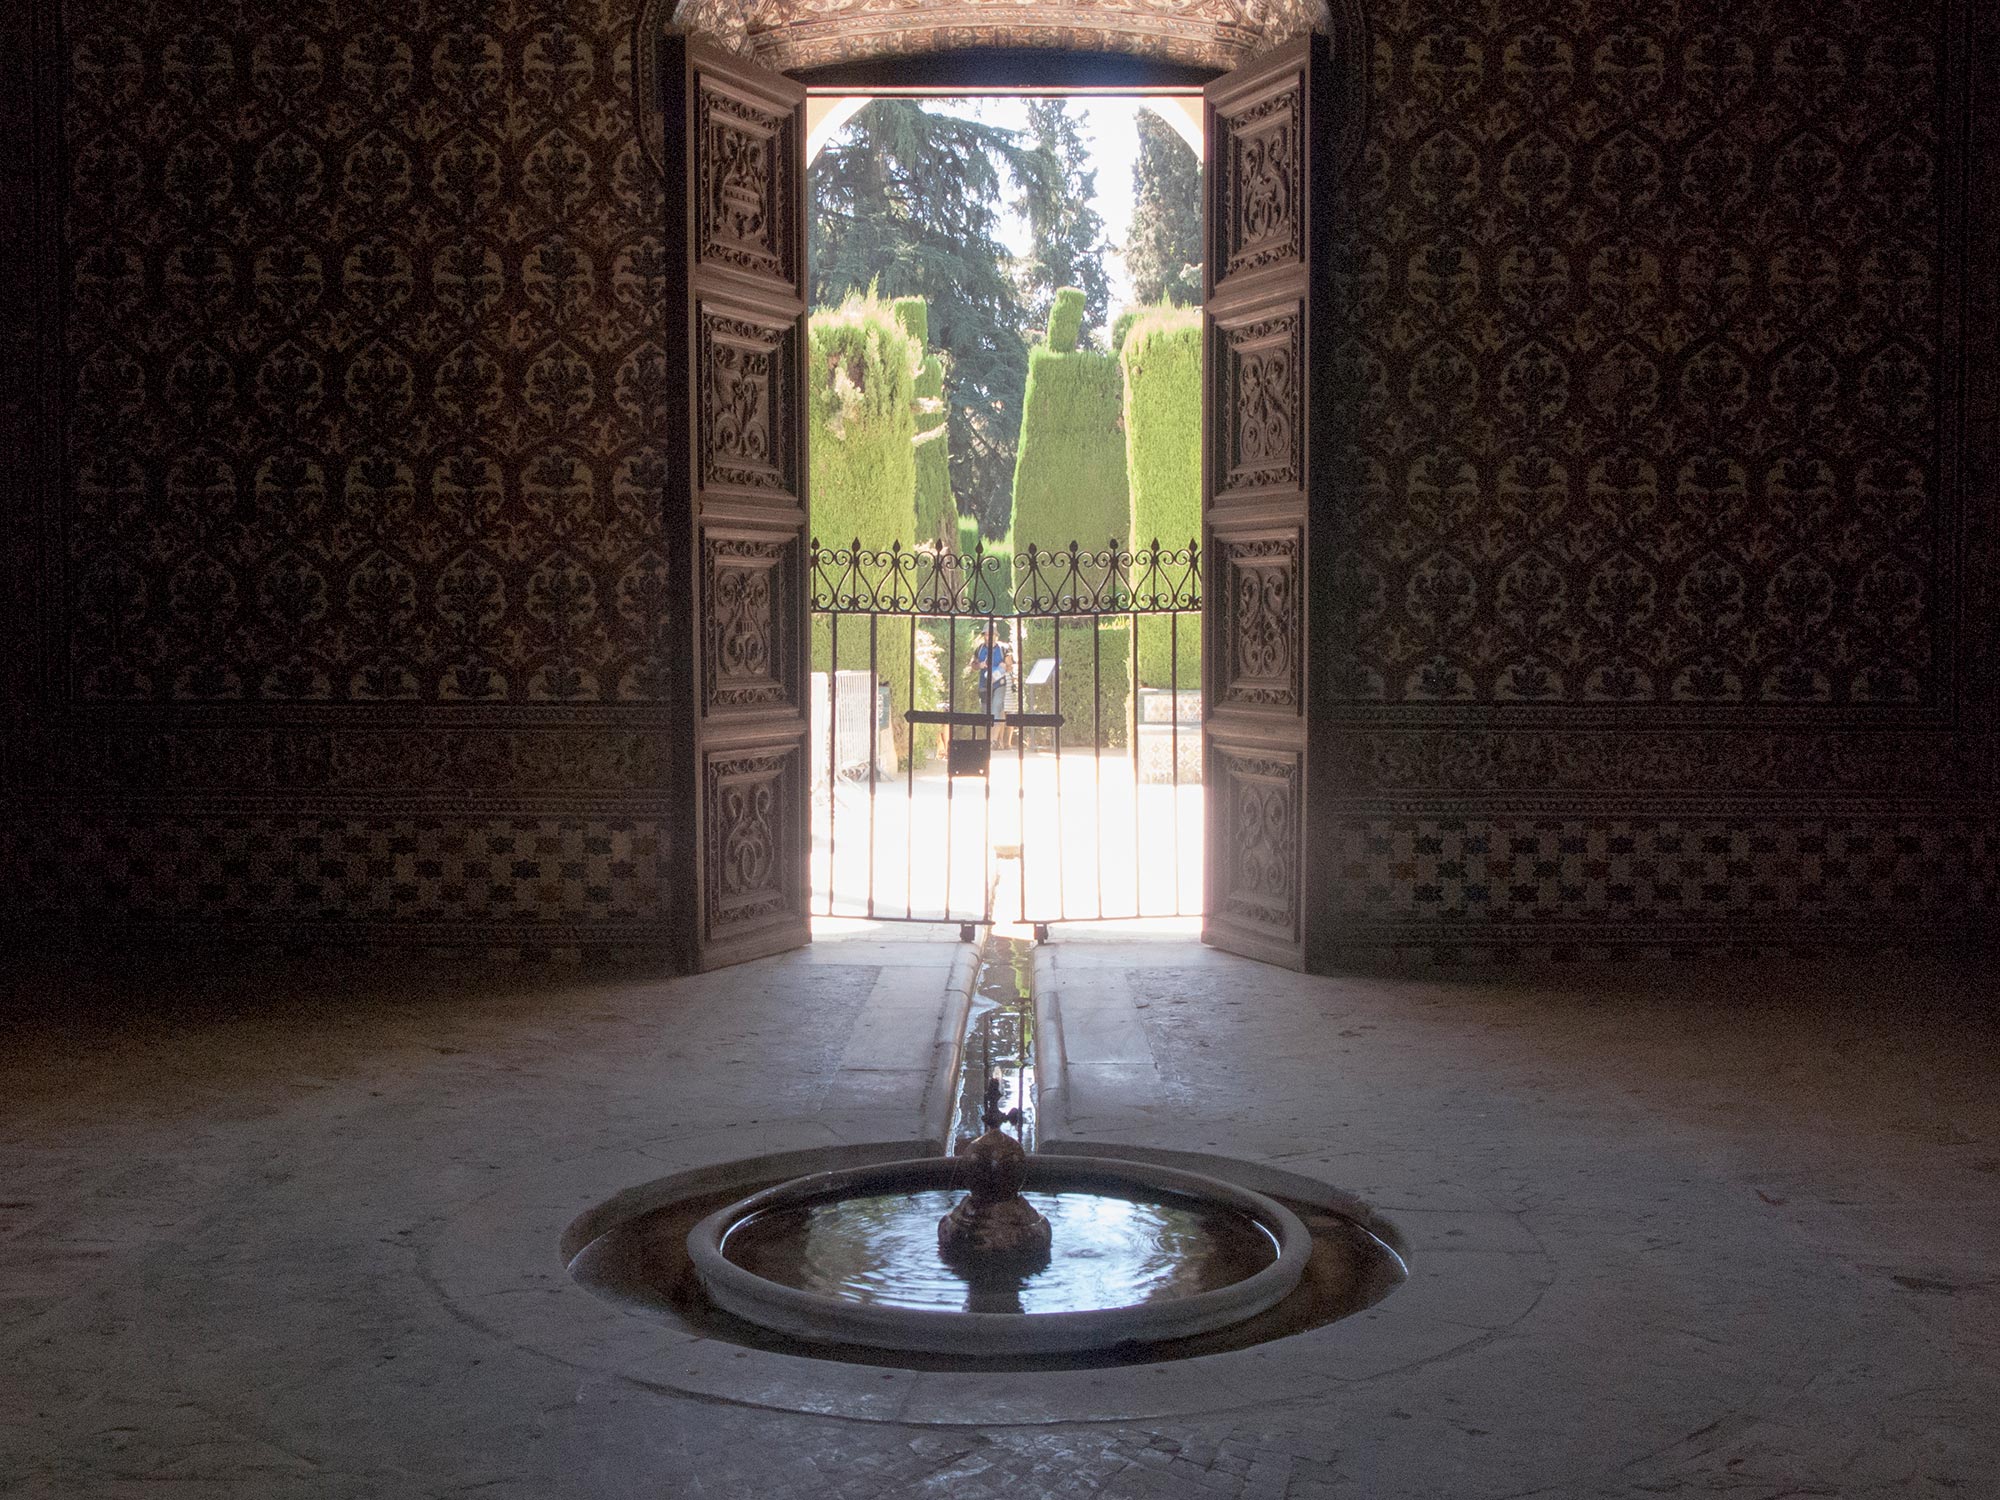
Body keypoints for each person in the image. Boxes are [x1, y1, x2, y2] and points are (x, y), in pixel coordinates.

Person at [971, 633, 1013, 750]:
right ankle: (989, 740)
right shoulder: (980, 649)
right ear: (984, 635)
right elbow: (973, 665)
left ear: (996, 635)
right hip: (984, 685)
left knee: (997, 709)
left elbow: (1010, 667)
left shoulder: (1003, 649)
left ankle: (993, 741)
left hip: (999, 684)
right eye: (987, 635)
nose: (989, 637)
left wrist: (1004, 666)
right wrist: (979, 665)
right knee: (986, 713)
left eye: (992, 634)